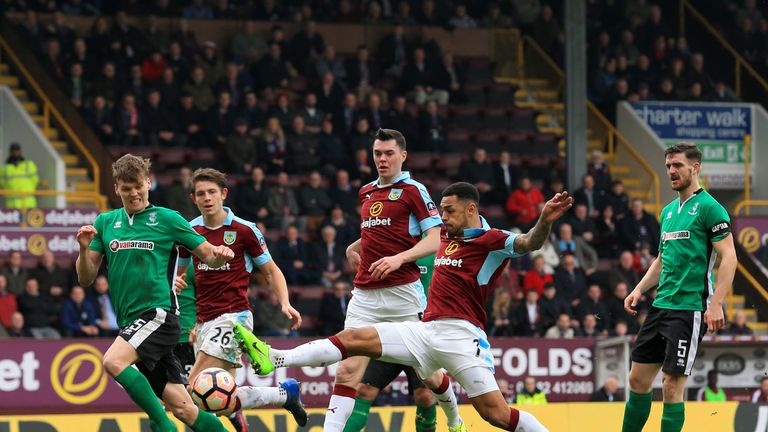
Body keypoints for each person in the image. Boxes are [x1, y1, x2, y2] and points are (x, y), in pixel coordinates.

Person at [236, 182, 572, 431]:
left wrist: (545, 220)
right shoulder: (441, 236)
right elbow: (396, 235)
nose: (443, 217)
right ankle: (276, 356)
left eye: (449, 211)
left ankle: (459, 420)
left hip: (461, 336)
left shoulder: (492, 240)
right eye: (441, 210)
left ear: (471, 209)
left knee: (495, 414)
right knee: (353, 339)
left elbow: (530, 242)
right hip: (423, 330)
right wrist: (357, 246)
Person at [75, 154, 236, 432]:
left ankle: (160, 423)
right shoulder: (105, 222)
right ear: (117, 189)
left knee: (113, 361)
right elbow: (86, 278)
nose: (133, 193)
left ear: (148, 182)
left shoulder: (167, 219)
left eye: (138, 185)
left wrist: (221, 254)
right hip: (132, 323)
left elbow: (208, 254)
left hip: (159, 315)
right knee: (185, 409)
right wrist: (83, 248)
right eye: (126, 188)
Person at [176, 168, 307, 429]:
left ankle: (282, 396)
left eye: (212, 192)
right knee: (224, 399)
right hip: (204, 322)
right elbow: (180, 271)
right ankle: (284, 395)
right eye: (200, 194)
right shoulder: (188, 231)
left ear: (223, 193)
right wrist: (178, 282)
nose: (207, 198)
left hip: (233, 318)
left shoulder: (245, 230)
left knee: (192, 389)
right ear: (193, 198)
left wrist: (285, 302)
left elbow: (271, 270)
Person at [622, 143, 737, 432]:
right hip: (661, 305)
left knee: (671, 384)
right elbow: (662, 259)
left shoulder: (711, 208)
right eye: (668, 167)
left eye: (678, 166)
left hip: (689, 309)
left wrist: (716, 304)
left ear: (695, 167)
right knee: (637, 380)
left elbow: (729, 257)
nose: (671, 171)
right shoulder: (668, 212)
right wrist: (639, 289)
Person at [345, 235, 439, 432]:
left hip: (420, 333)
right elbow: (371, 235)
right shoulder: (393, 237)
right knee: (363, 390)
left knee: (425, 395)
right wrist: (350, 249)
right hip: (390, 332)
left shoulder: (433, 242)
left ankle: (451, 421)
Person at [0, 143, 39, 209]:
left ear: (21, 151)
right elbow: (2, 184)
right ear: (10, 151)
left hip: (28, 203)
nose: (15, 152)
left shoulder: (29, 165)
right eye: (13, 150)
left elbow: (35, 181)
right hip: (12, 205)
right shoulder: (4, 168)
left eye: (17, 150)